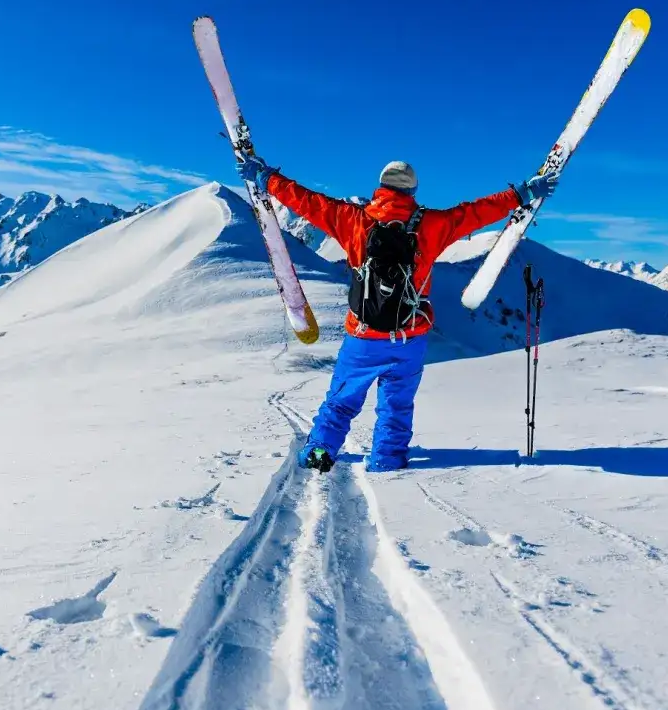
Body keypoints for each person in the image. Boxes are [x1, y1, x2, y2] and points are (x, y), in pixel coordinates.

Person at [236, 153, 558, 473]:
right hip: (409, 337)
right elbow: (475, 213)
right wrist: (521, 194)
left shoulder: (351, 219)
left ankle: (320, 449)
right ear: (413, 192)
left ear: (380, 187)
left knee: (342, 400)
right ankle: (387, 462)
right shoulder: (432, 225)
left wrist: (265, 178)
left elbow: (306, 201)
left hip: (362, 336)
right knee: (396, 406)